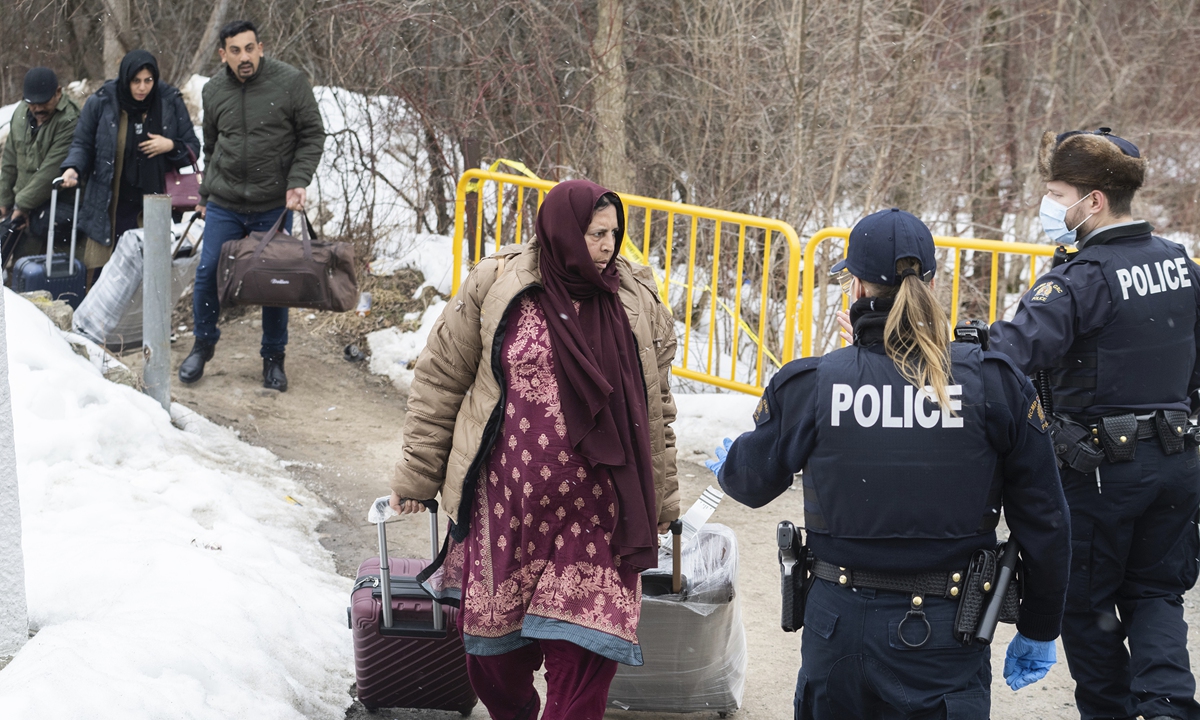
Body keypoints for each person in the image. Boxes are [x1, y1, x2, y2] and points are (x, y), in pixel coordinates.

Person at [711, 208, 1071, 720]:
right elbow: (1047, 521)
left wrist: (736, 459)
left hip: (839, 627)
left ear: (855, 288)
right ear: (931, 282)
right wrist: (1039, 627)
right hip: (947, 631)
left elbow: (750, 482)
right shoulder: (993, 382)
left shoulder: (814, 383)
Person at [389, 179, 680, 720]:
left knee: (584, 663)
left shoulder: (634, 298)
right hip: (509, 511)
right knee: (493, 663)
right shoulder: (499, 282)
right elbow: (440, 381)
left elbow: (656, 407)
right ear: (563, 228)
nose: (607, 246)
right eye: (596, 233)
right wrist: (417, 476)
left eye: (615, 234)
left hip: (600, 517)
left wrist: (662, 501)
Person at [989, 129, 1200, 720]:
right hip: (1176, 465)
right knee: (1157, 596)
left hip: (1101, 477)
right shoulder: (1179, 264)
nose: (1050, 206)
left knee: (1087, 609)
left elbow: (1009, 357)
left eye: (1056, 193)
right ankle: (1167, 707)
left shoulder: (1083, 278)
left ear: (1094, 201)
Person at [179, 19, 325, 392]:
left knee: (274, 280)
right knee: (209, 271)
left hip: (271, 205)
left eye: (249, 48)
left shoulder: (289, 82)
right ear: (222, 54)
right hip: (225, 202)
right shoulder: (213, 91)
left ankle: (273, 358)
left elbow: (312, 135)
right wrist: (206, 198)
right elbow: (213, 147)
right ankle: (202, 345)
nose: (243, 57)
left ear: (260, 47)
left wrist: (298, 181)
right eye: (235, 50)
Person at [59, 49, 200, 276]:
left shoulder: (169, 101)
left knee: (151, 273)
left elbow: (193, 146)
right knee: (108, 275)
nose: (142, 88)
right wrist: (73, 168)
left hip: (157, 203)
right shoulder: (103, 101)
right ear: (125, 79)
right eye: (136, 81)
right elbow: (82, 144)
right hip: (112, 202)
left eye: (148, 80)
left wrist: (171, 146)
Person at [0, 67, 80, 268]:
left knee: (37, 271)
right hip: (20, 209)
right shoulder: (20, 112)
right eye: (32, 104)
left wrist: (21, 206)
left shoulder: (70, 119)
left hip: (50, 211)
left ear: (58, 93)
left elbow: (50, 171)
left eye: (43, 103)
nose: (37, 110)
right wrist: (3, 200)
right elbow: (10, 158)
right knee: (17, 268)